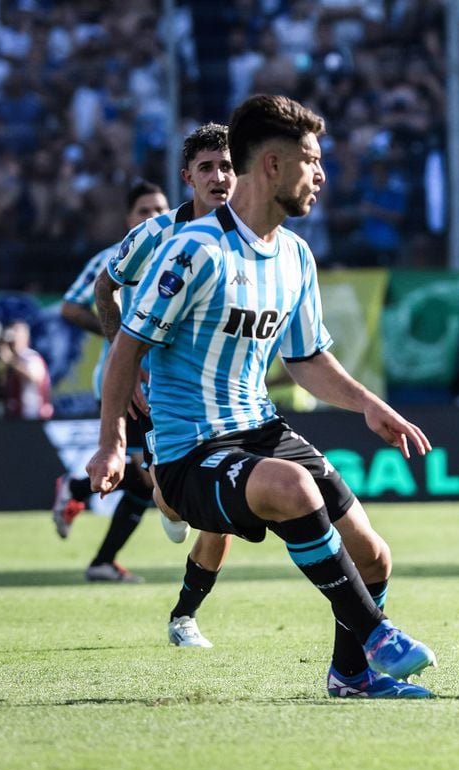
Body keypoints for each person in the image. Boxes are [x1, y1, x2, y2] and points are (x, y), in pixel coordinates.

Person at [87, 95, 437, 700]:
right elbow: (126, 346)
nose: (321, 174)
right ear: (271, 166)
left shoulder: (297, 256)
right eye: (310, 159)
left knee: (374, 556)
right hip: (190, 451)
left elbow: (306, 360)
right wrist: (113, 441)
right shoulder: (192, 250)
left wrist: (369, 405)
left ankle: (350, 676)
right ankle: (377, 635)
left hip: (261, 431)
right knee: (294, 490)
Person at [87, 123, 235, 642]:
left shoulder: (255, 238)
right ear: (188, 177)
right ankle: (163, 496)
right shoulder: (155, 235)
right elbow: (105, 289)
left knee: (220, 520)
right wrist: (123, 362)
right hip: (167, 396)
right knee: (177, 509)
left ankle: (184, 616)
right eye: (207, 168)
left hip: (232, 401)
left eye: (228, 167)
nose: (220, 178)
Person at [53, 181, 170, 583]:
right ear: (128, 219)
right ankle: (76, 491)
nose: (153, 218)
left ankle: (100, 556)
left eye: (160, 209)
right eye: (143, 211)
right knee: (152, 476)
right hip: (127, 380)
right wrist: (119, 338)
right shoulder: (113, 257)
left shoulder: (181, 254)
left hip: (167, 382)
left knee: (142, 480)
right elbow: (71, 307)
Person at [0, 319, 52, 420]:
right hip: (14, 416)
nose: (13, 338)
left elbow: (35, 376)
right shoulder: (11, 359)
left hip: (33, 416)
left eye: (16, 333)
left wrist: (10, 360)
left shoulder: (31, 357)